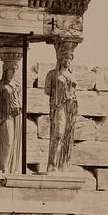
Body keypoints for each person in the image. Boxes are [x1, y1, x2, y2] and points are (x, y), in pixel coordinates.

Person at [45, 44, 78, 172]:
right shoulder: (52, 74)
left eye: (70, 58)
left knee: (67, 136)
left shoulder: (72, 75)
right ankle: (52, 164)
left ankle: (63, 165)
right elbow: (48, 91)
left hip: (70, 107)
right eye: (66, 58)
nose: (68, 61)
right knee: (58, 133)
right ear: (60, 59)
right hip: (58, 106)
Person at [0, 57, 23, 173]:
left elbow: (19, 99)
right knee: (8, 141)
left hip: (17, 114)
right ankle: (3, 167)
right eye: (12, 69)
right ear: (6, 70)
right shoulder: (1, 85)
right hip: (5, 116)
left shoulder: (17, 85)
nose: (14, 71)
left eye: (15, 69)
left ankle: (12, 168)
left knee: (15, 142)